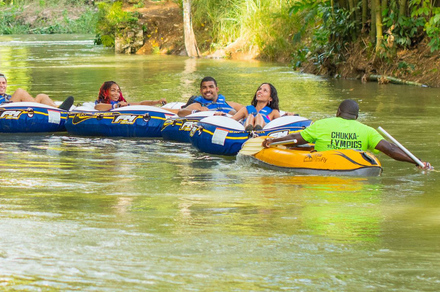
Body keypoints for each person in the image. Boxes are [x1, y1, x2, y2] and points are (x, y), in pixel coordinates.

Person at [263, 99, 432, 170]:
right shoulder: (366, 130)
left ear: (338, 112)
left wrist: (272, 141)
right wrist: (416, 162)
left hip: (323, 167)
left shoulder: (322, 124)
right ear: (356, 117)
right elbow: (391, 149)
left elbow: (296, 139)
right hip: (357, 169)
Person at [0, 73, 74, 110]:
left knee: (41, 96)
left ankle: (58, 110)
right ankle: (44, 107)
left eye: (4, 83)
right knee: (20, 91)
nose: (2, 85)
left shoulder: (7, 96)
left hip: (10, 106)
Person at [177, 77, 243, 117]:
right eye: (204, 88)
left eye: (211, 87)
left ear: (217, 89)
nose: (208, 90)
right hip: (212, 128)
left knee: (233, 112)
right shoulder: (199, 105)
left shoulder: (228, 104)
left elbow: (247, 109)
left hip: (232, 126)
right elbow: (181, 112)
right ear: (201, 91)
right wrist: (198, 112)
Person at [94, 81, 166, 111]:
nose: (117, 93)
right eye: (113, 90)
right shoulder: (102, 103)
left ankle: (176, 113)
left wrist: (157, 101)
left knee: (154, 108)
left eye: (118, 91)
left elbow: (141, 103)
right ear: (105, 92)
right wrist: (116, 106)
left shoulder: (121, 103)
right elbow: (97, 107)